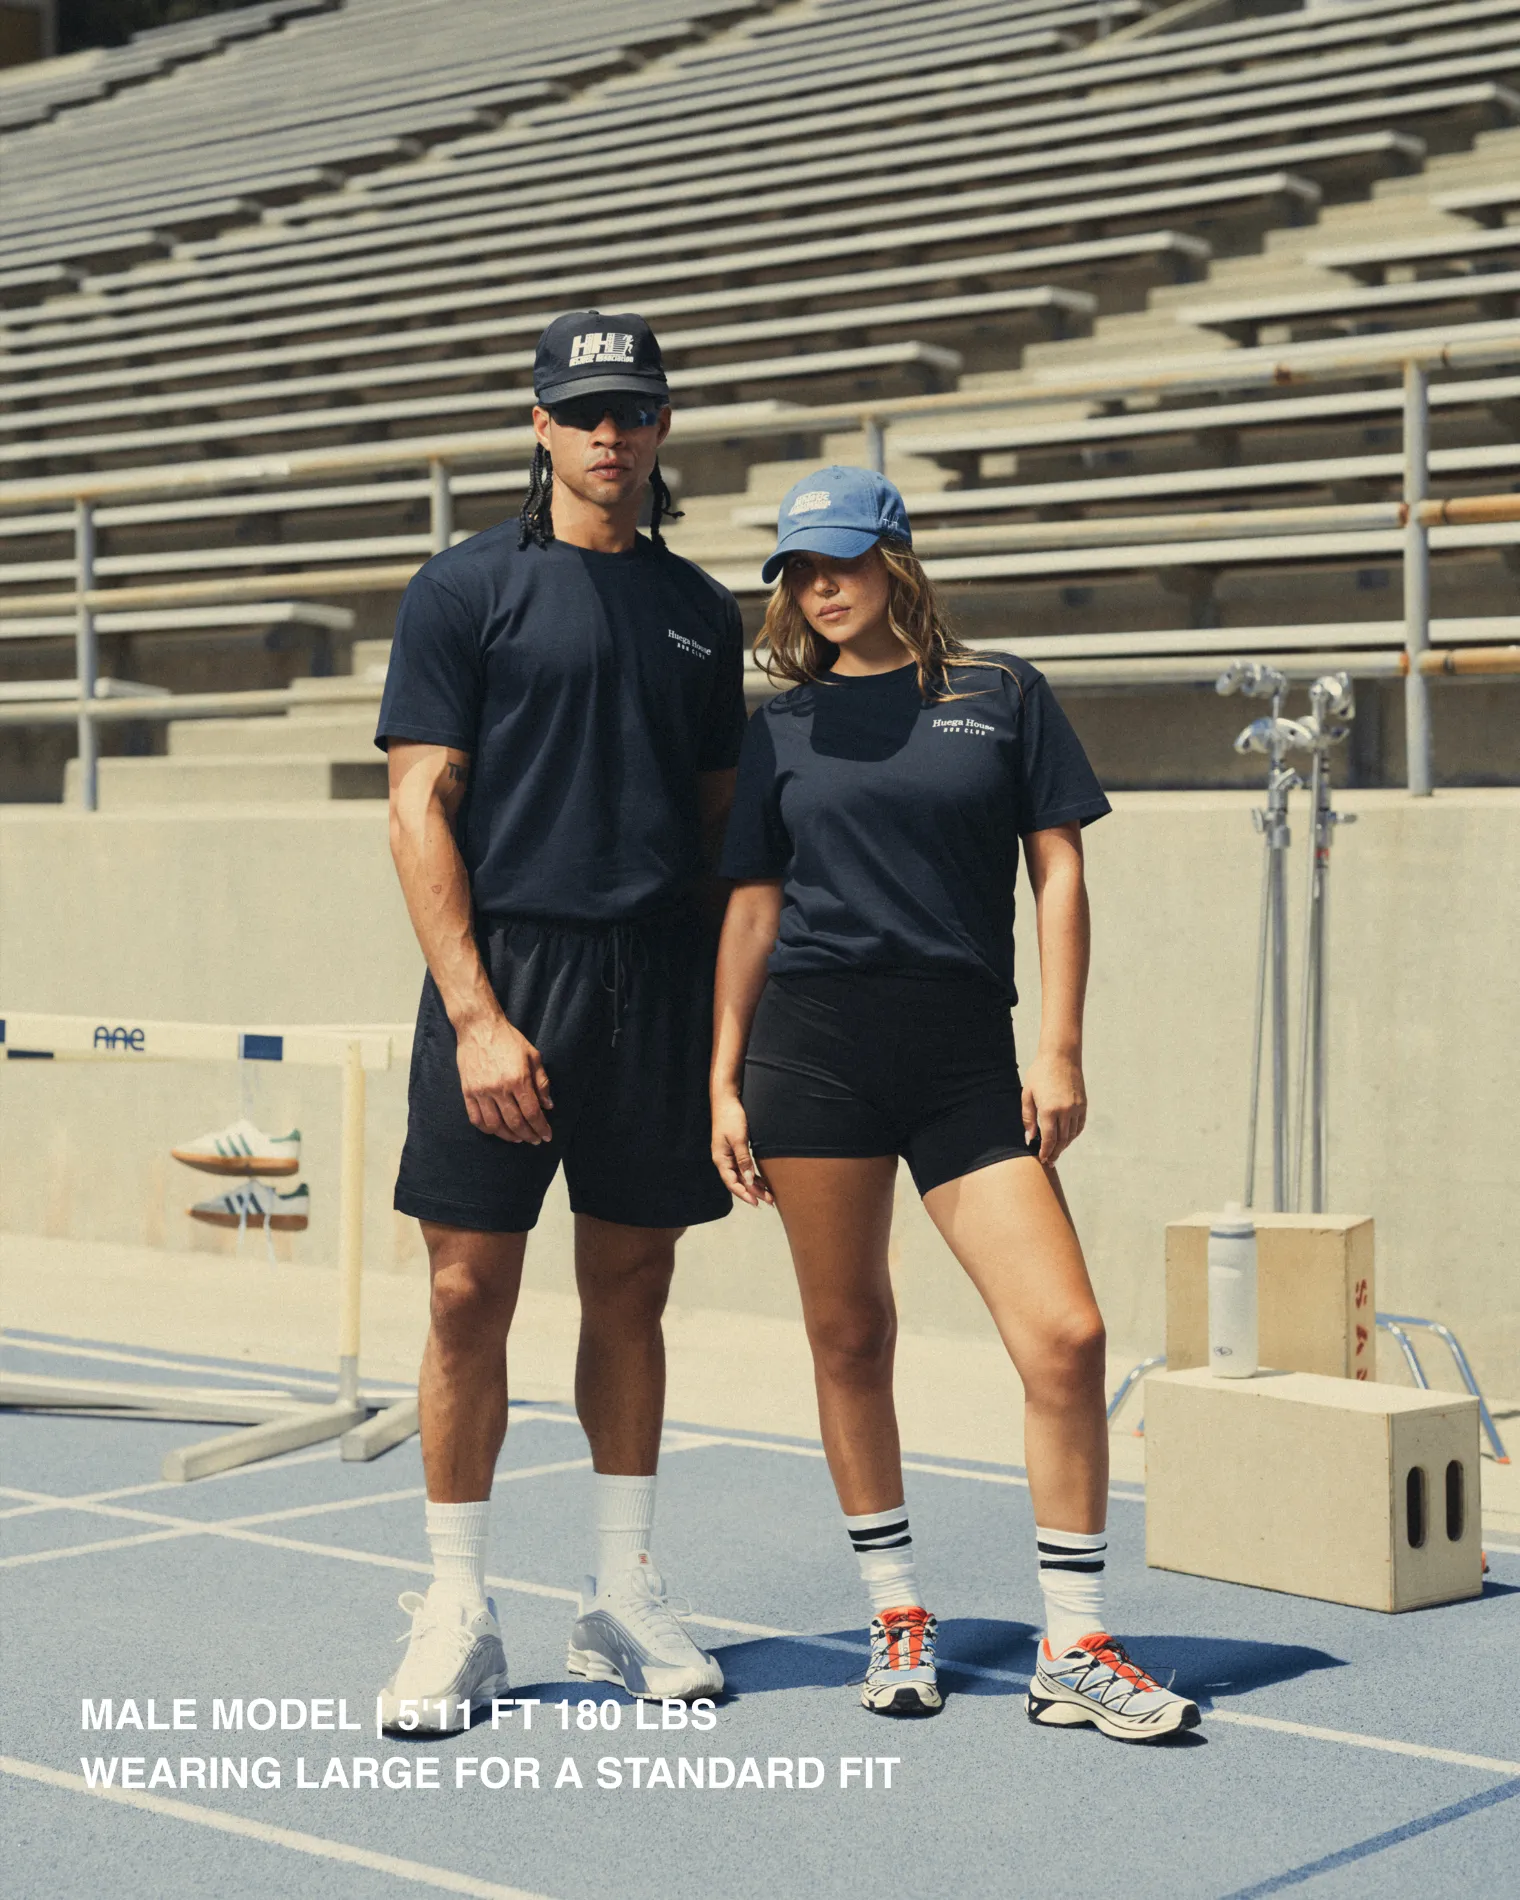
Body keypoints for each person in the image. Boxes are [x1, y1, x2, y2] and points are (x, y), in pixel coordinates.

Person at [710, 466, 1200, 1739]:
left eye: (840, 562)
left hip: (963, 1057)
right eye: (798, 570)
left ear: (895, 562)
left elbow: (1057, 872)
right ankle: (895, 1613)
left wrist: (1060, 1047)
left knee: (1066, 1335)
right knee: (848, 1336)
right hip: (810, 1051)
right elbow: (752, 907)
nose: (819, 588)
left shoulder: (1000, 693)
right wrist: (721, 1075)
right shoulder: (778, 726)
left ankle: (1074, 1643)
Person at [374, 311, 744, 1732]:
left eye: (632, 409)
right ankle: (456, 1606)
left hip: (654, 980)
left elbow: (720, 835)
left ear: (661, 426)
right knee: (466, 1293)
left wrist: (723, 1044)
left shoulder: (699, 611)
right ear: (538, 424)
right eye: (584, 410)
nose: (609, 433)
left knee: (632, 1288)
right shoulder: (463, 589)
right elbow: (418, 807)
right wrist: (477, 1015)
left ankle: (620, 1592)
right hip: (508, 970)